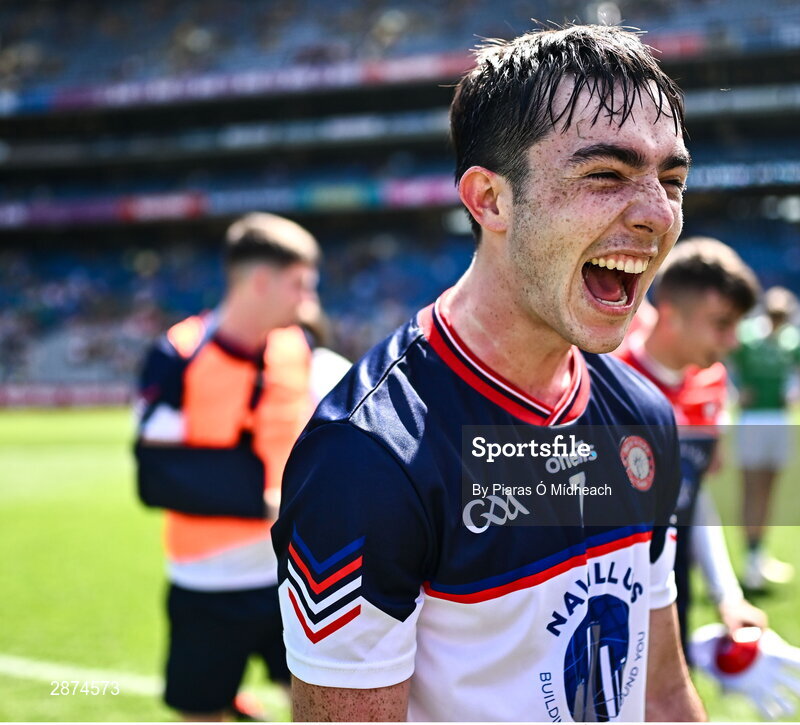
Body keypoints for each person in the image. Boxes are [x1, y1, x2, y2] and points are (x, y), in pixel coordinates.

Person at [272, 25, 706, 721]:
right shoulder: (366, 457)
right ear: (490, 200)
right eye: (606, 175)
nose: (659, 214)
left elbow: (659, 692)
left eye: (673, 179)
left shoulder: (644, 417)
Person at [134, 212, 321, 720]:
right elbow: (157, 476)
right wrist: (261, 502)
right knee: (203, 710)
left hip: (297, 579)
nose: (310, 301)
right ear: (260, 281)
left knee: (327, 704)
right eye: (300, 285)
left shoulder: (299, 347)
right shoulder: (177, 354)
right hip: (208, 583)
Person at [615, 238, 766, 645]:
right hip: (599, 582)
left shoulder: (713, 383)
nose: (733, 341)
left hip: (671, 575)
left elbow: (691, 496)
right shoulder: (604, 378)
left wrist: (728, 597)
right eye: (722, 324)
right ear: (670, 315)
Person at [729, 286, 800, 590]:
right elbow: (715, 358)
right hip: (752, 419)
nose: (779, 319)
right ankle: (750, 559)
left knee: (768, 490)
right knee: (752, 489)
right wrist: (733, 392)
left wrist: (799, 395)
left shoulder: (791, 339)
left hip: (779, 419)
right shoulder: (746, 335)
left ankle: (759, 553)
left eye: (784, 315)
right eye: (775, 313)